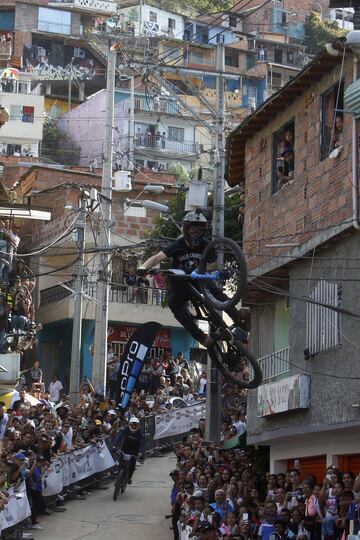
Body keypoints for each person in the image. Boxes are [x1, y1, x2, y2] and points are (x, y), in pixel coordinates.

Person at [138, 210, 241, 348]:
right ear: (186, 229)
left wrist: (201, 270)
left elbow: (215, 264)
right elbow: (157, 258)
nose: (196, 234)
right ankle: (201, 337)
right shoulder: (178, 245)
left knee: (217, 293)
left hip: (199, 280)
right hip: (181, 284)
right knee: (174, 304)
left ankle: (239, 317)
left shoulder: (205, 244)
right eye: (193, 230)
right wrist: (143, 267)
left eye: (200, 230)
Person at [113, 417, 145, 484]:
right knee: (121, 462)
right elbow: (119, 436)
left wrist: (141, 452)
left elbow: (142, 443)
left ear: (138, 425)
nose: (134, 426)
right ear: (129, 424)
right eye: (132, 425)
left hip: (135, 448)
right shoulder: (125, 428)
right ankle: (118, 476)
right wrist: (114, 446)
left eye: (135, 425)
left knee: (132, 463)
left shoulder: (140, 432)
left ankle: (129, 477)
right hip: (125, 447)